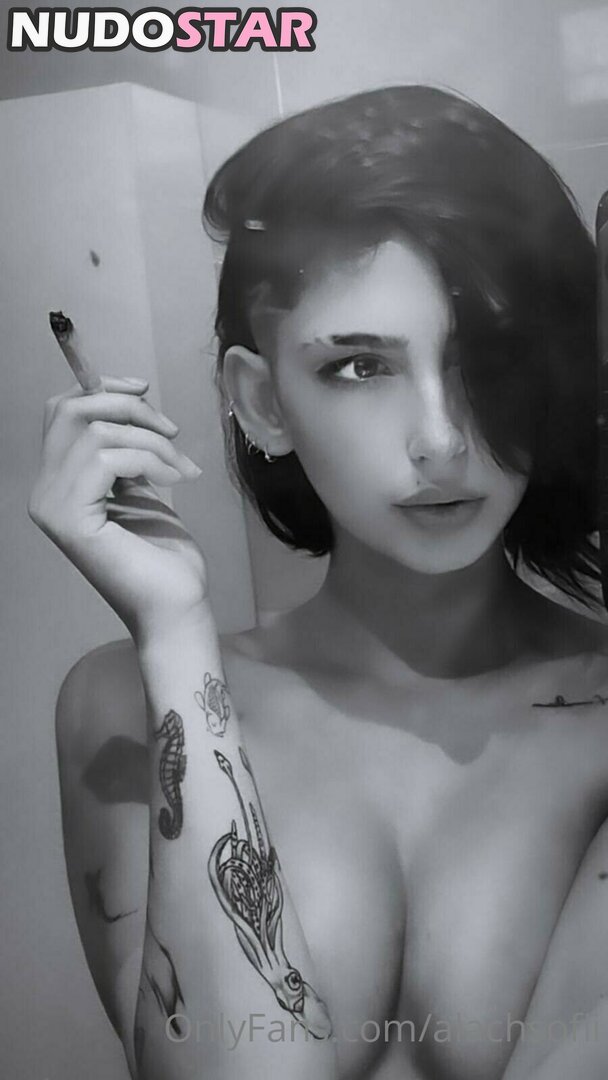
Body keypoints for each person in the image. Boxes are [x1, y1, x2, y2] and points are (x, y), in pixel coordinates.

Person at [29, 85, 608, 1080]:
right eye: (359, 367)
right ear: (261, 401)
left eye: (489, 357)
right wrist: (173, 631)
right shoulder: (122, 703)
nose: (440, 439)